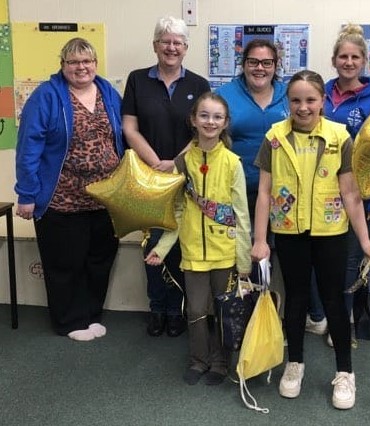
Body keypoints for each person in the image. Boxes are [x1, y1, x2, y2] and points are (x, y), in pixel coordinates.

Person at [251, 70, 370, 409]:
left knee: (334, 301)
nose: (303, 107)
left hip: (330, 233)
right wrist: (260, 239)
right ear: (287, 102)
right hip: (289, 232)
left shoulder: (341, 136)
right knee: (294, 299)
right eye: (296, 100)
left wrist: (365, 241)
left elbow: (351, 194)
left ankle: (345, 372)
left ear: (323, 101)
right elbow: (264, 193)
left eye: (311, 100)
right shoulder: (274, 137)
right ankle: (295, 363)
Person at [14, 38, 125, 341]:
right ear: (62, 65)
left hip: (104, 200)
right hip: (62, 200)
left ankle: (90, 315)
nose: (81, 67)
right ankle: (68, 321)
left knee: (99, 260)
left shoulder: (108, 93)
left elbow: (123, 137)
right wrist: (26, 194)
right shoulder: (46, 96)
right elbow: (28, 148)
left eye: (86, 61)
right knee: (65, 263)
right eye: (73, 61)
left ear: (95, 64)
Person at [145, 92, 251, 386]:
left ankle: (220, 362)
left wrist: (244, 261)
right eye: (204, 115)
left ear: (225, 122)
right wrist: (163, 248)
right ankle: (198, 359)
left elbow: (241, 214)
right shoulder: (183, 162)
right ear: (193, 120)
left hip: (225, 252)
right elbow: (177, 210)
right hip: (193, 252)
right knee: (194, 310)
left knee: (222, 309)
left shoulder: (232, 162)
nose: (210, 121)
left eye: (217, 117)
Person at [122, 16, 210, 338]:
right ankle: (157, 307)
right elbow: (129, 128)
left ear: (186, 48)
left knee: (180, 245)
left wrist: (175, 162)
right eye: (165, 41)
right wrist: (156, 162)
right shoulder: (136, 80)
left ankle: (177, 309)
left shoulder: (199, 85)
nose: (171, 47)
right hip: (147, 178)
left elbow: (204, 129)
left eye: (178, 42)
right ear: (155, 45)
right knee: (153, 244)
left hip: (186, 177)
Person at [306, 24, 370, 345]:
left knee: (349, 263)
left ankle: (343, 322)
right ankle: (320, 316)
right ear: (334, 60)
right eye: (343, 56)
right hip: (319, 194)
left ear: (364, 61)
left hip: (357, 195)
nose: (349, 61)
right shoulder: (319, 93)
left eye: (355, 56)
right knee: (315, 258)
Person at [215, 39, 289, 219]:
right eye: (253, 62)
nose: (260, 68)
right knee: (240, 243)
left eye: (267, 63)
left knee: (278, 244)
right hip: (236, 188)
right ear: (244, 64)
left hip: (283, 191)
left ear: (276, 65)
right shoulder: (224, 95)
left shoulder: (289, 94)